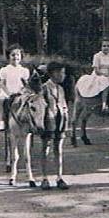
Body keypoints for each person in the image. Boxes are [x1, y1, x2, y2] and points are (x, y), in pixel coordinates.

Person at [41, 61, 70, 189]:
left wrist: (66, 117)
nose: (63, 75)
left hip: (60, 121)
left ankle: (59, 177)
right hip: (48, 122)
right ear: (54, 73)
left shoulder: (61, 89)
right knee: (46, 149)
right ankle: (44, 178)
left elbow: (64, 105)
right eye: (62, 73)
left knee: (58, 149)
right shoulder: (44, 88)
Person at [78, 37, 109, 113]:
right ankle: (104, 105)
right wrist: (104, 74)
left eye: (108, 46)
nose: (106, 48)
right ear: (101, 47)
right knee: (104, 81)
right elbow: (96, 69)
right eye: (104, 46)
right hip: (98, 75)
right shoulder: (97, 56)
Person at [0, 44, 30, 132]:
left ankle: (30, 121)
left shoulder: (24, 70)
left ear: (21, 56)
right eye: (13, 55)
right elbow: (3, 84)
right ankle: (1, 121)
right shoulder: (5, 70)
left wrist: (23, 91)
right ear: (8, 56)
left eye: (18, 55)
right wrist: (8, 93)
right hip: (8, 91)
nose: (15, 57)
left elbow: (26, 84)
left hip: (19, 92)